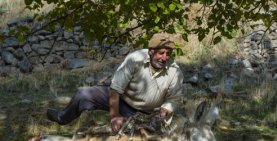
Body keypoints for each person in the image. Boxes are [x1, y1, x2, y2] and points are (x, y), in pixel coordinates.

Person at [47, 33, 183, 132]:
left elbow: (174, 98)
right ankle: (62, 117)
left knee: (146, 138)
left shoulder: (175, 71)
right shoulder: (135, 59)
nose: (164, 57)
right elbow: (115, 88)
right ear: (151, 51)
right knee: (83, 94)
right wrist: (114, 116)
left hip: (147, 114)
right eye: (161, 53)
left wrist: (164, 111)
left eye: (168, 53)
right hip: (122, 99)